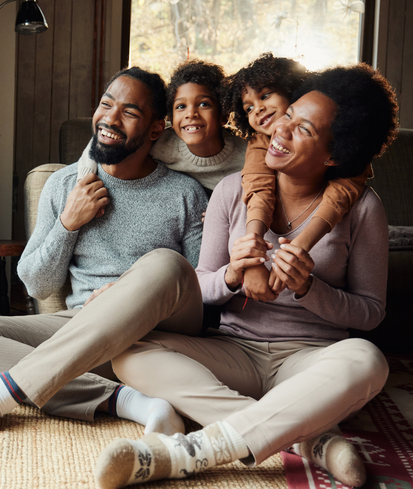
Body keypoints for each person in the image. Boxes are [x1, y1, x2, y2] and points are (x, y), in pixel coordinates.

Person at [94, 63, 398, 489]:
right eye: (288, 115)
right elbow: (198, 284)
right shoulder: (232, 191)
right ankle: (309, 440)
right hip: (232, 351)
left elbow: (370, 313)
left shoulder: (364, 208)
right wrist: (232, 275)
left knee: (368, 361)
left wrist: (310, 289)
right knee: (128, 351)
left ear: (334, 155)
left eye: (303, 130)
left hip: (309, 359)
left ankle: (196, 451)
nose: (280, 130)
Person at [0, 67, 209, 450]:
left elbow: (201, 289)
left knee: (163, 266)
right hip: (79, 329)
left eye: (129, 112)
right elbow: (37, 284)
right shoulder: (65, 185)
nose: (109, 118)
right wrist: (68, 223)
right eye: (105, 105)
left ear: (156, 129)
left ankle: (15, 390)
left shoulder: (184, 193)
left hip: (154, 334)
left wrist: (126, 293)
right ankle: (129, 401)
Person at [225, 53, 373, 301]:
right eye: (248, 107)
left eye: (265, 95)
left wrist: (301, 248)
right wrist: (249, 258)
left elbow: (343, 191)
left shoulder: (353, 172)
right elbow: (258, 187)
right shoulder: (257, 146)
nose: (258, 108)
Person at [77, 59, 246, 198]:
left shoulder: (246, 155)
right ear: (171, 120)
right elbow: (106, 139)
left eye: (204, 104)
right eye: (181, 106)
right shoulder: (163, 142)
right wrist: (84, 179)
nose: (191, 114)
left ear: (223, 115)